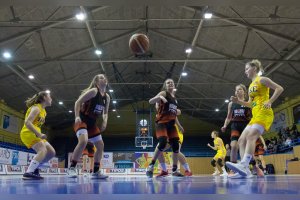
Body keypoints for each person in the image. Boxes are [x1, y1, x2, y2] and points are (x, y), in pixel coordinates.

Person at [226, 59, 284, 177]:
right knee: (241, 140)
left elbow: (279, 88)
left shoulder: (262, 80)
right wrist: (239, 101)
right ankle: (245, 169)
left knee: (251, 136)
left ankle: (244, 164)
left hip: (264, 112)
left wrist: (270, 101)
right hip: (255, 115)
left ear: (254, 69)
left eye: (247, 69)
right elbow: (251, 104)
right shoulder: (251, 85)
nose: (245, 71)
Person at [68, 74, 110, 179]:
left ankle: (95, 172)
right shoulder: (93, 91)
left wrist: (105, 122)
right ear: (96, 82)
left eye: (104, 77)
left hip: (92, 123)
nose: (104, 78)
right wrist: (77, 116)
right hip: (82, 120)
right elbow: (78, 102)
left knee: (100, 145)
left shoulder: (107, 97)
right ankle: (72, 168)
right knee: (83, 141)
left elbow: (105, 112)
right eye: (101, 77)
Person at [146, 78, 183, 178]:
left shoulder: (175, 99)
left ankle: (174, 170)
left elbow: (175, 115)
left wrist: (179, 126)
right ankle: (150, 166)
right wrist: (160, 98)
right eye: (168, 82)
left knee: (176, 146)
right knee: (162, 142)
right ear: (165, 85)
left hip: (171, 125)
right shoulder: (163, 93)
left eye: (172, 82)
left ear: (174, 85)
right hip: (162, 123)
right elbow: (150, 101)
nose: (170, 83)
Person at [20, 91, 56, 180]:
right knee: (42, 149)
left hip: (36, 133)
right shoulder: (36, 108)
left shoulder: (44, 111)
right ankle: (29, 172)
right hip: (28, 132)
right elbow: (27, 122)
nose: (51, 99)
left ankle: (35, 167)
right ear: (44, 97)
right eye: (49, 96)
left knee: (51, 152)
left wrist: (39, 134)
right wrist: (39, 134)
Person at [221, 84, 251, 168]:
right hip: (235, 125)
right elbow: (228, 117)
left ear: (244, 92)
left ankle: (245, 167)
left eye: (239, 89)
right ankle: (233, 168)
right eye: (236, 90)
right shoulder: (231, 104)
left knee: (243, 146)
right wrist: (225, 125)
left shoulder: (248, 102)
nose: (237, 91)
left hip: (246, 125)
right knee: (233, 146)